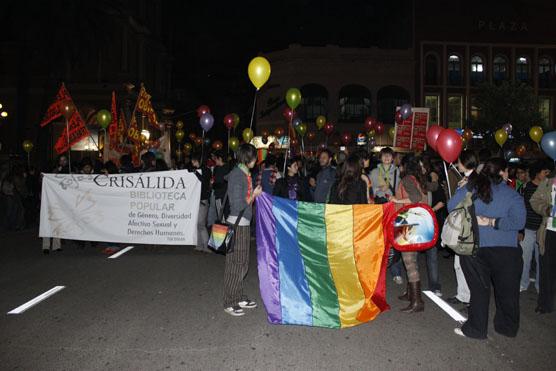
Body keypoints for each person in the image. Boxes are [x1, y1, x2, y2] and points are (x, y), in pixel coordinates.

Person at [450, 158, 526, 339]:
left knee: (479, 292)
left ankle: (476, 329)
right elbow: (519, 222)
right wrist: (495, 222)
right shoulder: (512, 195)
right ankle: (506, 328)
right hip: (507, 251)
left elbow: (451, 207)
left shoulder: (471, 189)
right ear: (502, 173)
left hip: (475, 248)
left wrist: (464, 188)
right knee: (508, 292)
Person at [223, 144, 262, 316]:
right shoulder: (237, 175)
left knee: (243, 263)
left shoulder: (246, 174)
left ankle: (238, 296)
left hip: (243, 223)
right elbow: (237, 204)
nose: (256, 160)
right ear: (248, 158)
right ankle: (229, 301)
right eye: (254, 156)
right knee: (236, 265)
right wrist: (253, 195)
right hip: (236, 224)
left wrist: (253, 195)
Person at [390, 155, 430, 313]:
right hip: (417, 222)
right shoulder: (417, 179)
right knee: (412, 259)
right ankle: (410, 293)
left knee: (409, 261)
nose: (399, 168)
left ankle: (417, 301)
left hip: (409, 223)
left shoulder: (407, 179)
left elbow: (415, 198)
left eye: (401, 165)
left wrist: (396, 200)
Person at [446, 150, 477, 307]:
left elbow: (452, 205)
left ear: (465, 163)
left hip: (469, 227)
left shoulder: (473, 181)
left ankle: (471, 300)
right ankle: (463, 295)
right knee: (459, 264)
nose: (457, 164)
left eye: (459, 162)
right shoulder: (468, 179)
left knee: (467, 265)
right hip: (464, 225)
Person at [371, 147, 403, 284]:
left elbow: (399, 190)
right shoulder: (374, 172)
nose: (387, 158)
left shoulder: (397, 172)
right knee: (379, 239)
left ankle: (396, 272)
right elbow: (371, 190)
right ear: (381, 157)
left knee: (393, 238)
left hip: (392, 207)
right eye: (384, 156)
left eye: (389, 156)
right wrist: (379, 189)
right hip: (379, 208)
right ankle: (377, 271)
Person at [520, 161, 551, 293]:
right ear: (537, 172)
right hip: (528, 228)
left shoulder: (549, 187)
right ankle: (523, 283)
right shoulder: (527, 187)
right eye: (545, 172)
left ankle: (540, 286)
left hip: (542, 230)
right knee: (525, 259)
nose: (547, 175)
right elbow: (521, 208)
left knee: (541, 260)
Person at [530, 173, 556, 314]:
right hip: (549, 231)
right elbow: (534, 200)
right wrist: (546, 209)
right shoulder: (548, 181)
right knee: (546, 270)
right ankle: (545, 304)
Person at [189, 153, 212, 253]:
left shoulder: (206, 170)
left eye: (194, 160)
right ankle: (199, 245)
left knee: (201, 224)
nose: (192, 162)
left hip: (203, 200)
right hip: (196, 200)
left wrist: (195, 173)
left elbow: (205, 182)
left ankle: (206, 246)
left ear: (198, 160)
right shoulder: (196, 170)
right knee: (197, 224)